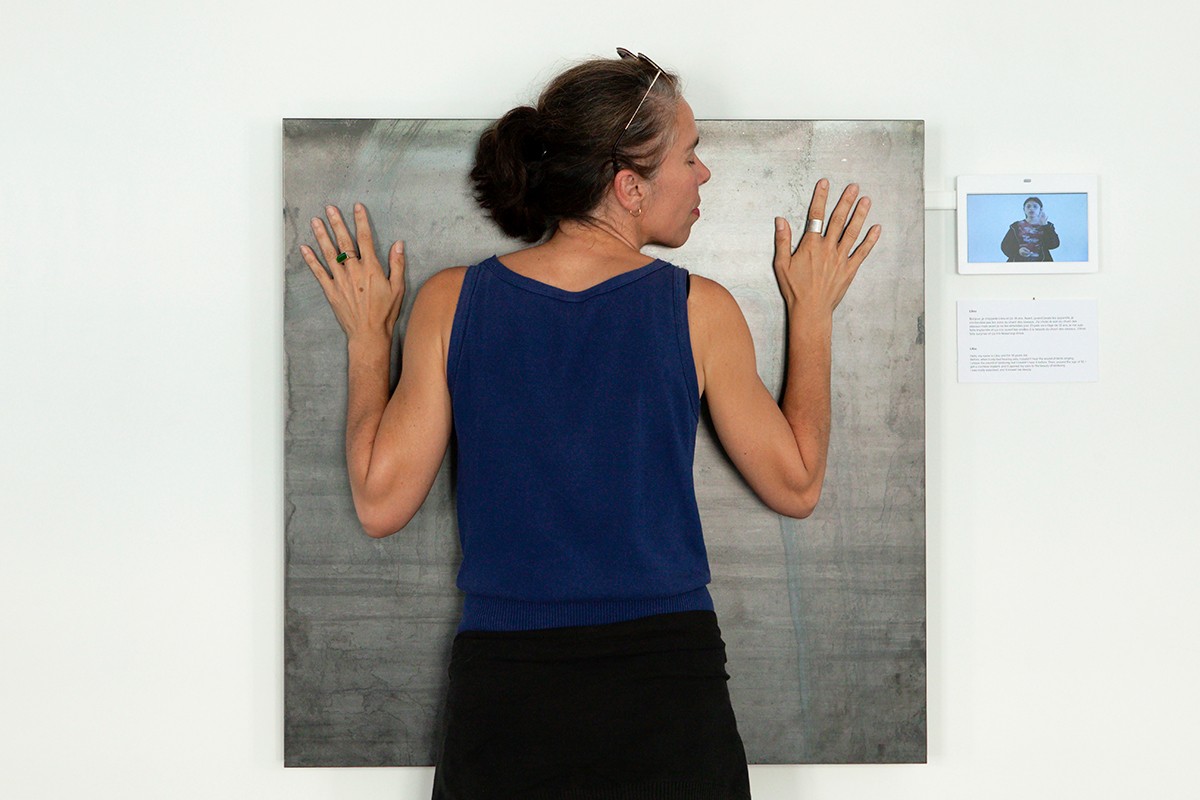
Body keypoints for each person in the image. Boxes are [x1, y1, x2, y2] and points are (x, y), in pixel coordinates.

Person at [300, 49, 879, 799]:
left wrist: (368, 341)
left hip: (506, 688)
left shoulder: (451, 303)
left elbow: (380, 503)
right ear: (629, 186)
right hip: (667, 686)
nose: (703, 174)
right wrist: (814, 313)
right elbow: (797, 485)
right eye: (690, 155)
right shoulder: (700, 310)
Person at [1001, 195, 1060, 261]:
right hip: (1018, 263)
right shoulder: (1015, 226)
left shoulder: (1048, 226)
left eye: (1035, 206)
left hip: (1042, 263)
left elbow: (1054, 244)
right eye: (1028, 206)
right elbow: (1005, 246)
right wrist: (1018, 251)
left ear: (1040, 209)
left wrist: (1045, 226)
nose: (1031, 209)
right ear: (1024, 210)